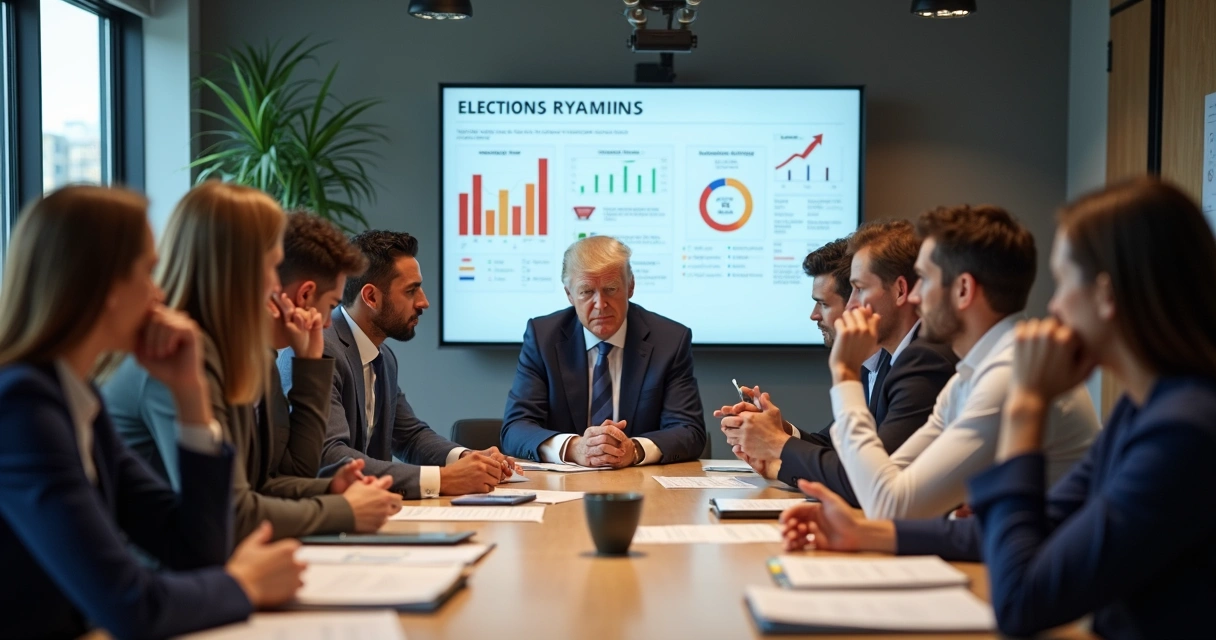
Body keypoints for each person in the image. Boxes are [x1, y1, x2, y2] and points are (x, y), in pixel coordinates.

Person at [779, 179, 1216, 639]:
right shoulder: (1140, 409)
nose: (1053, 305)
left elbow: (1022, 605)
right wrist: (870, 534)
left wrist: (1026, 409)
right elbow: (1044, 524)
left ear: (1107, 296)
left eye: (1066, 282)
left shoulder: (1184, 429)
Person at [0, 186, 303, 639]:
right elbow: (130, 605)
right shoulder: (21, 409)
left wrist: (190, 396)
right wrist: (243, 583)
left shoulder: (79, 400)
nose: (159, 292)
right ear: (102, 285)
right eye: (148, 270)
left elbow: (195, 550)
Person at [103, 182, 400, 540]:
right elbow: (231, 512)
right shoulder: (173, 360)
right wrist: (343, 510)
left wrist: (327, 488)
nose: (278, 283)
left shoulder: (247, 355)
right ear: (238, 269)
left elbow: (271, 480)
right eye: (274, 266)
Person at [819, 204, 1099, 519]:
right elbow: (882, 481)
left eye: (923, 279)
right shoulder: (971, 374)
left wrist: (844, 376)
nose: (914, 296)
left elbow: (889, 505)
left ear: (963, 289)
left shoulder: (1009, 375)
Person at [723, 222, 957, 505]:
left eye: (858, 289)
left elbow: (868, 479)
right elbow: (844, 450)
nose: (850, 307)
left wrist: (778, 447)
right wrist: (780, 433)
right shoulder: (888, 359)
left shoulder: (926, 360)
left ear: (899, 291)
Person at [293, 230, 514, 499]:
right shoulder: (320, 350)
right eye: (411, 290)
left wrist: (468, 459)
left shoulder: (383, 356)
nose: (424, 302)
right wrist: (442, 479)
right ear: (371, 297)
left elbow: (409, 436)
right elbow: (331, 456)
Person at [502, 235, 707, 466]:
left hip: (641, 484)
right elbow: (515, 428)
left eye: (611, 289)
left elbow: (689, 431)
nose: (600, 304)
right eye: (586, 292)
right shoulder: (543, 337)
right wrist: (575, 448)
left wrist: (635, 450)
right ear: (569, 295)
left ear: (630, 286)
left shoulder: (669, 340)